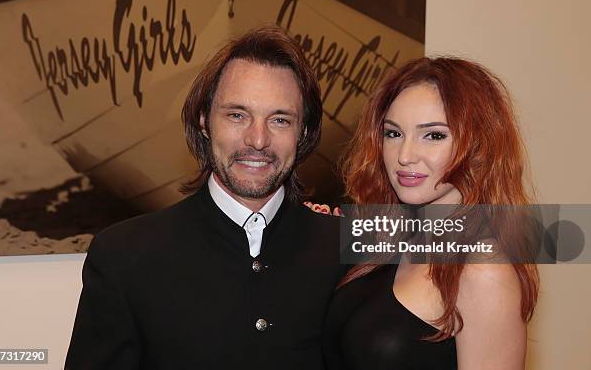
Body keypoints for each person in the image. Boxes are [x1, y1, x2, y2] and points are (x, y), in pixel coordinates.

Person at [65, 25, 346, 369]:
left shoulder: (348, 244)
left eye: (280, 119)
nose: (258, 139)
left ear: (302, 132)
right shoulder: (124, 255)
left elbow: (428, 236)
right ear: (204, 121)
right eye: (237, 115)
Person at [322, 57, 539, 369]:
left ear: (477, 145)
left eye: (434, 135)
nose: (405, 156)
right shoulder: (385, 239)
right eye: (393, 134)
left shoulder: (483, 272)